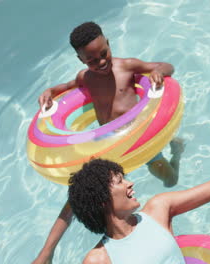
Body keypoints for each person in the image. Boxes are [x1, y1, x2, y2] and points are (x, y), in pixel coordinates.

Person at [39, 114, 210, 264]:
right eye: (119, 181)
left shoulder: (158, 209)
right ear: (102, 200)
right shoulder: (98, 259)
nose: (130, 183)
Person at [32, 21, 183, 263]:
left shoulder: (126, 67)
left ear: (109, 44)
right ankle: (46, 253)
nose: (101, 62)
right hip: (109, 148)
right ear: (81, 60)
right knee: (75, 198)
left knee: (169, 179)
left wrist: (159, 72)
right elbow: (68, 87)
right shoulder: (86, 78)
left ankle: (177, 153)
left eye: (104, 54)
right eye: (92, 60)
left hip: (139, 142)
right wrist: (51, 91)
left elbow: (167, 66)